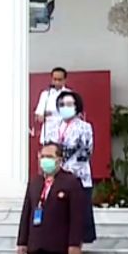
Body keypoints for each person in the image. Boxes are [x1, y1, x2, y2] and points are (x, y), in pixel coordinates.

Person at [55, 91, 96, 244]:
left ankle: (78, 244)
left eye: (69, 104)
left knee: (79, 212)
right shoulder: (55, 126)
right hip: (57, 175)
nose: (65, 108)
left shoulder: (84, 127)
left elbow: (85, 152)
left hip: (77, 176)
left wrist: (69, 169)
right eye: (62, 105)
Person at [33, 67, 70, 145]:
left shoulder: (69, 94)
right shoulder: (45, 94)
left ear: (64, 80)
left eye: (59, 79)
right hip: (48, 133)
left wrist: (52, 113)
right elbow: (39, 114)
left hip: (64, 133)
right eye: (55, 79)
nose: (57, 82)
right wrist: (41, 116)